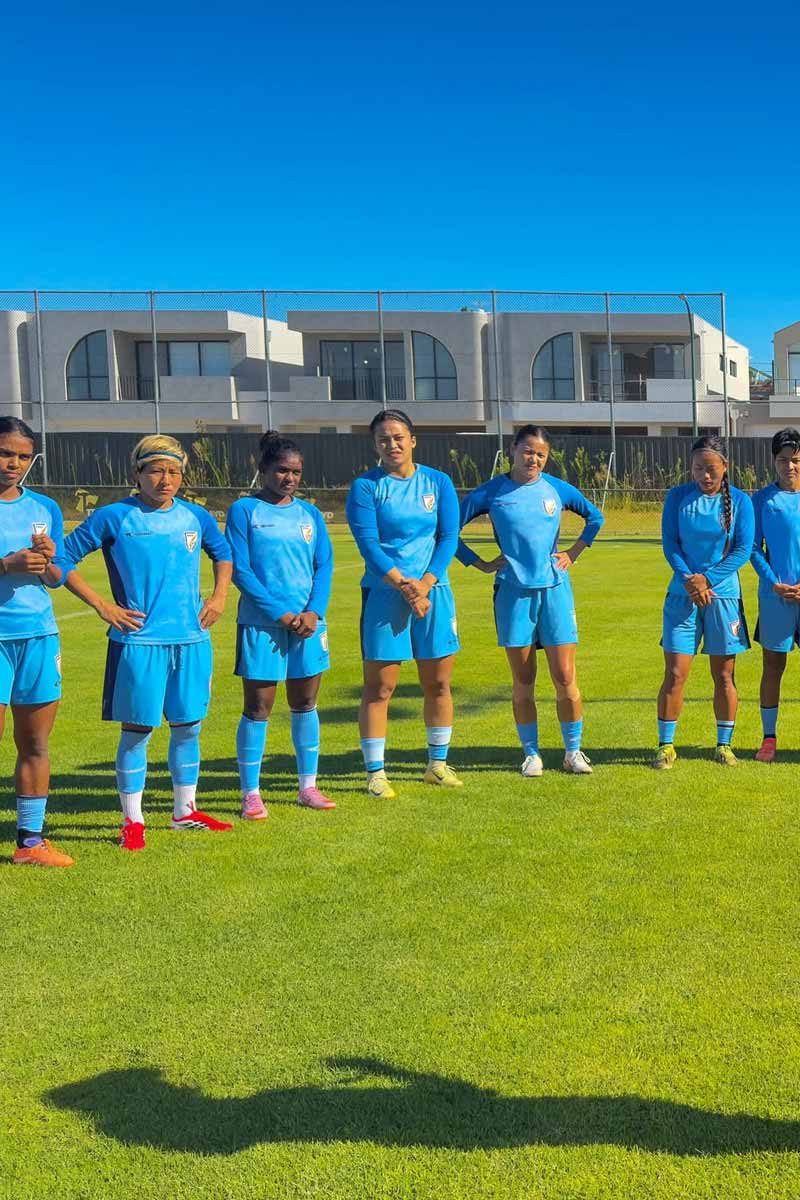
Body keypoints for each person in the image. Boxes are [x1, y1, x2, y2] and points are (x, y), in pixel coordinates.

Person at [61, 435, 234, 850]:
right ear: (137, 473)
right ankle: (132, 821)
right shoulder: (114, 516)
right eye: (155, 470)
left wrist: (219, 597)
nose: (165, 479)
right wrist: (103, 606)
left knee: (189, 727)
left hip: (192, 641)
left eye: (173, 471)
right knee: (137, 731)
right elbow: (62, 559)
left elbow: (223, 553)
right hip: (138, 643)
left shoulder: (196, 516)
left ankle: (184, 812)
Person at [456, 424, 603, 776]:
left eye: (540, 454)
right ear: (512, 450)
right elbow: (447, 530)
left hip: (555, 590)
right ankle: (531, 754)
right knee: (524, 679)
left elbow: (595, 517)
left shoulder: (556, 488)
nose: (533, 459)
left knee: (565, 676)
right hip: (513, 593)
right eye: (527, 451)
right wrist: (479, 563)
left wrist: (573, 552)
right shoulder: (492, 492)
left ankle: (573, 752)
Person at [346, 409, 461, 797]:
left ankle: (437, 765)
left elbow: (448, 537)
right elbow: (369, 544)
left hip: (434, 592)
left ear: (413, 440)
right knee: (380, 687)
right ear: (375, 445)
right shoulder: (366, 487)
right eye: (383, 439)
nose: (391, 444)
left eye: (398, 437)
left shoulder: (438, 482)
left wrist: (425, 584)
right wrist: (405, 587)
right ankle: (376, 773)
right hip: (385, 595)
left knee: (439, 683)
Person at [226, 432, 335, 815]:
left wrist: (313, 612)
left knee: (305, 702)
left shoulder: (310, 514)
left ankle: (308, 786)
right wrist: (281, 614)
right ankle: (251, 793)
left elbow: (324, 565)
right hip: (263, 625)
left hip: (308, 625)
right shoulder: (244, 511)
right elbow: (241, 570)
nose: (289, 478)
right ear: (263, 469)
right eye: (281, 470)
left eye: (296, 472)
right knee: (259, 707)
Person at [653, 434, 754, 769]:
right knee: (675, 673)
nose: (704, 475)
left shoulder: (741, 502)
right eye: (698, 468)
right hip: (682, 597)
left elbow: (742, 550)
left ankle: (724, 745)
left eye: (711, 468)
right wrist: (690, 581)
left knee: (724, 676)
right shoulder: (677, 497)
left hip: (723, 598)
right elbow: (671, 544)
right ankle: (666, 746)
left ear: (725, 467)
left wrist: (707, 580)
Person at [0, 417, 73, 867]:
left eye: (23, 456)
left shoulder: (45, 507)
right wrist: (5, 564)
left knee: (35, 743)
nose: (14, 463)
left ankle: (30, 844)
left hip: (39, 637)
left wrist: (46, 562)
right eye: (6, 453)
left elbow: (57, 576)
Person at [751, 427, 800, 762]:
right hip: (775, 597)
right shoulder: (761, 500)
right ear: (773, 461)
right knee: (773, 666)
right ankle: (769, 738)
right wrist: (773, 583)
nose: (790, 466)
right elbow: (753, 548)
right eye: (783, 460)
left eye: (795, 460)